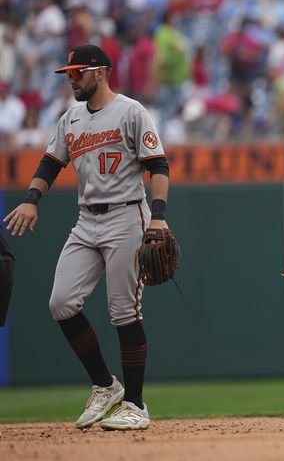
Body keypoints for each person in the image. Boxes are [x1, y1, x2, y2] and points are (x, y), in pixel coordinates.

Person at [3, 43, 172, 430]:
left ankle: (135, 404)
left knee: (123, 312)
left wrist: (158, 218)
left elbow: (158, 165)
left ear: (100, 71)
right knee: (61, 303)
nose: (72, 80)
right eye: (69, 74)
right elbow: (50, 162)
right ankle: (104, 385)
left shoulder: (131, 111)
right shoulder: (71, 117)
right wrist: (31, 200)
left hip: (127, 215)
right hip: (86, 219)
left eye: (78, 72)